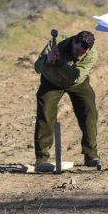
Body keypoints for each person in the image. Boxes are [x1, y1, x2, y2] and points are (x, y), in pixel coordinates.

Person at [33, 30, 100, 172]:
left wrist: (59, 63)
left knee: (89, 113)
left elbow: (75, 77)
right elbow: (37, 67)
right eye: (76, 50)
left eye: (82, 53)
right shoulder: (56, 43)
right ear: (73, 41)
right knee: (45, 113)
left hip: (76, 84)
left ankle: (91, 155)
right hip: (51, 81)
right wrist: (48, 59)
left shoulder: (92, 55)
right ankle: (42, 158)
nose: (78, 54)